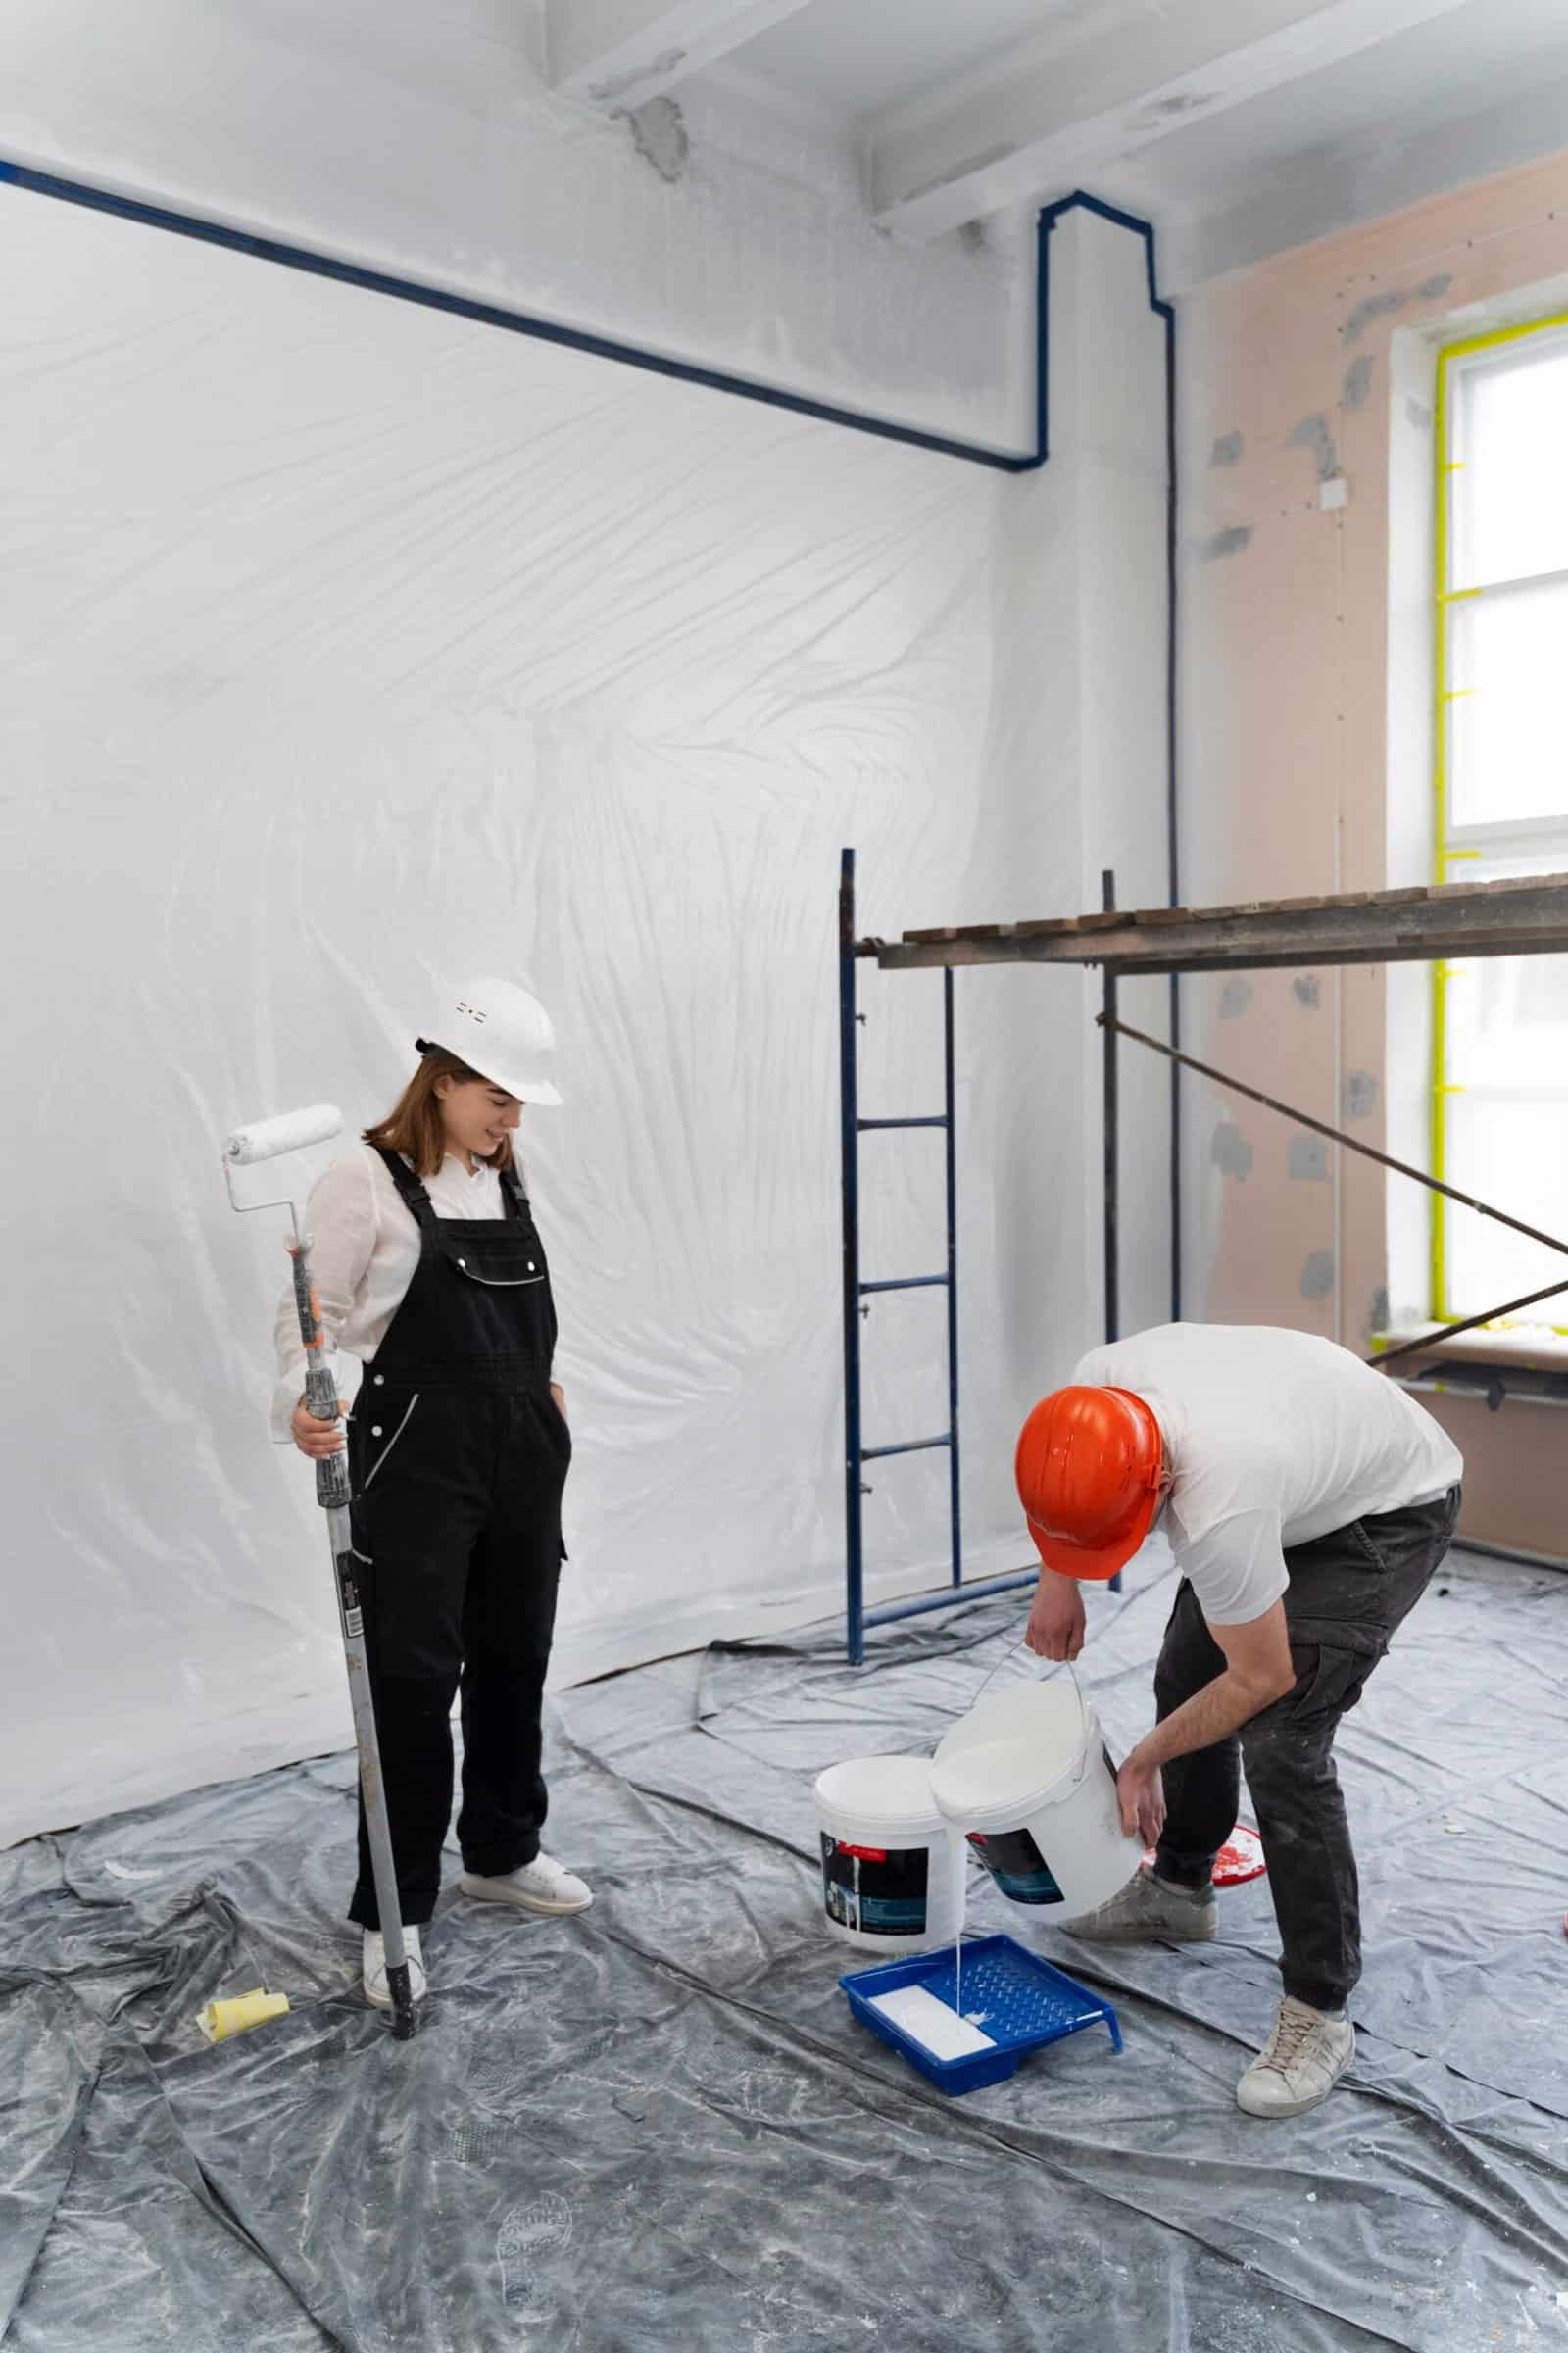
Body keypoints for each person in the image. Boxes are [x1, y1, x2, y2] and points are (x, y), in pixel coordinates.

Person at [1015, 1322, 1462, 2120]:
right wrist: (1061, 1579)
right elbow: (1064, 1485)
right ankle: (1183, 1887)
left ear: (1156, 1492)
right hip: (1298, 1467)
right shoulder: (1090, 1396)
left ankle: (1320, 2008)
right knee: (1185, 1670)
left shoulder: (1221, 1497)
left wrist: (1142, 1759)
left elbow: (1262, 1675)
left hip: (1386, 1509)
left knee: (1285, 1738)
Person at [274, 977, 588, 2012]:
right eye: (498, 1096)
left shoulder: (505, 1172)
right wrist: (302, 1399)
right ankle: (394, 1914)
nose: (513, 1117)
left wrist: (543, 1397)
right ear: (443, 1080)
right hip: (413, 1458)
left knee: (515, 1656)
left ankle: (501, 1849)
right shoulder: (362, 1180)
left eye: (520, 1102)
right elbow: (309, 1313)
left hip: (522, 1454)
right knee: (410, 1688)